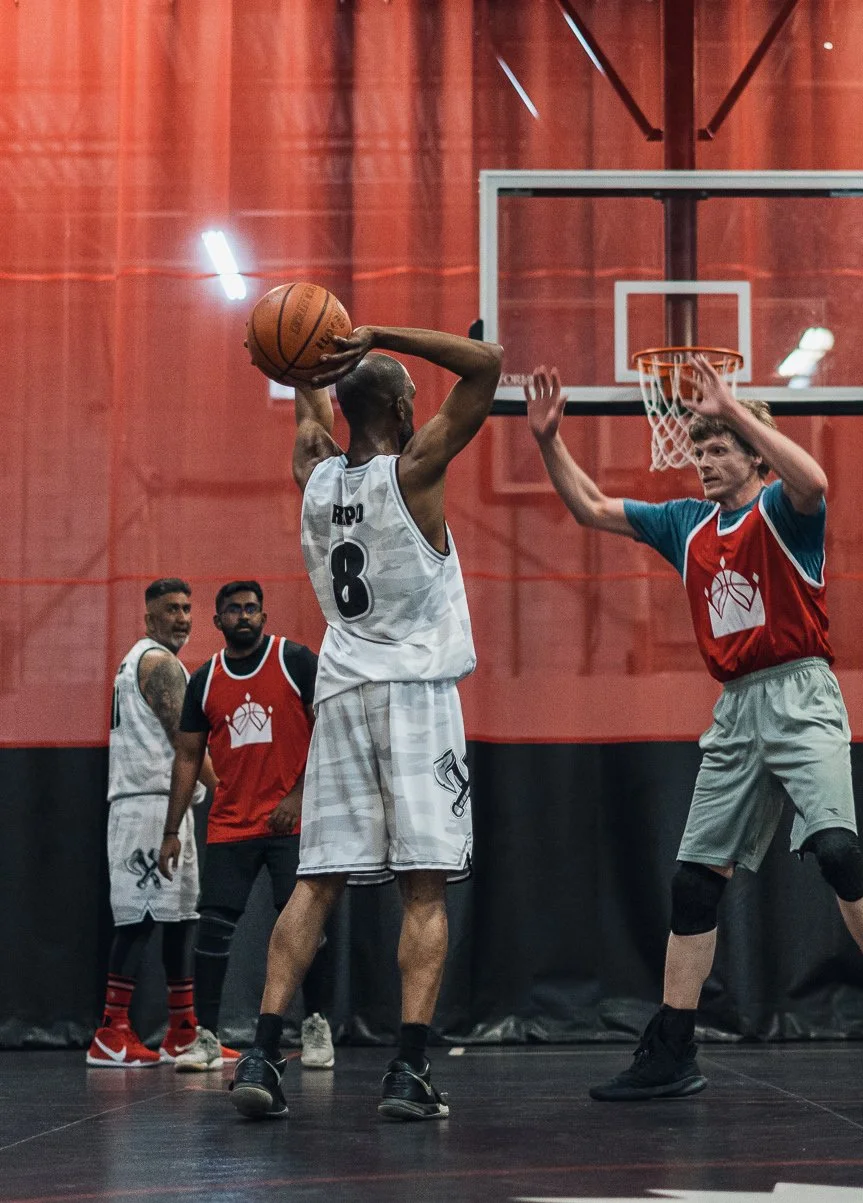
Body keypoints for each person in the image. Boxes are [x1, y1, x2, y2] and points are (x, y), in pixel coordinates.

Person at [526, 360, 863, 1099]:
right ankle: (673, 1050)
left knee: (838, 849)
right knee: (692, 884)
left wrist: (736, 412)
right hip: (737, 707)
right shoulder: (686, 524)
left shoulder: (783, 510)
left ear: (751, 453)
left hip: (803, 691)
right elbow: (590, 507)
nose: (704, 460)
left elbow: (815, 481)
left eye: (717, 448)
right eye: (700, 448)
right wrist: (549, 441)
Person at [228, 324, 502, 1121]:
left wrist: (301, 357)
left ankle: (260, 1053)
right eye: (411, 393)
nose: (422, 400)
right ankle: (409, 1070)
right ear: (395, 404)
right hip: (414, 693)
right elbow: (485, 366)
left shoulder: (313, 472)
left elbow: (314, 407)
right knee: (423, 887)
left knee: (316, 881)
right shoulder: (417, 469)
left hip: (342, 692)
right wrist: (378, 335)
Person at [160, 580, 334, 1073]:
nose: (244, 616)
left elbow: (331, 729)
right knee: (213, 930)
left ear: (263, 615)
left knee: (305, 926)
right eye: (234, 610)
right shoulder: (204, 678)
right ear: (217, 622)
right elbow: (188, 755)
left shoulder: (294, 660)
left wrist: (299, 795)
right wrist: (172, 830)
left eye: (252, 608)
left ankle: (317, 1025)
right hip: (231, 825)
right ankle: (209, 1038)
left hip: (291, 823)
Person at [88, 579, 209, 1067]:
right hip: (146, 805)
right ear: (149, 618)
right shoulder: (158, 663)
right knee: (138, 918)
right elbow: (189, 746)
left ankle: (182, 1031)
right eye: (170, 610)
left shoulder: (153, 661)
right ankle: (110, 1032)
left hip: (168, 802)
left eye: (186, 608)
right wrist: (228, 796)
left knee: (180, 917)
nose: (181, 617)